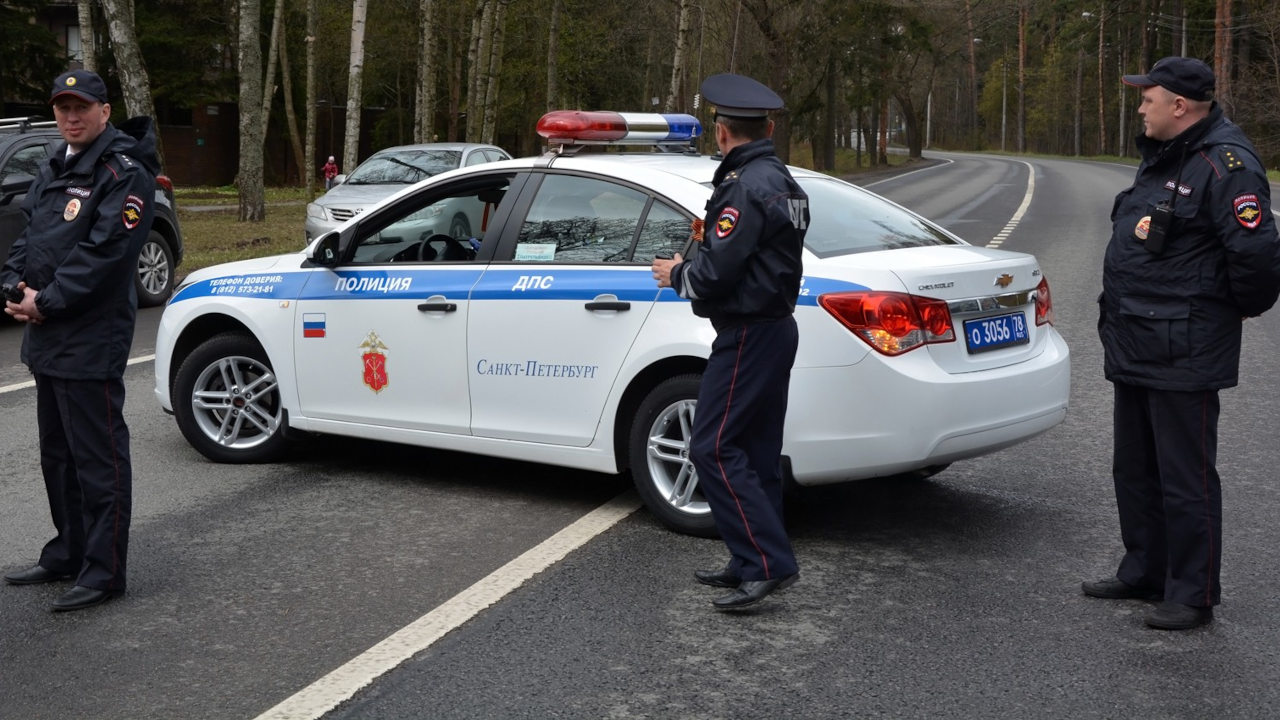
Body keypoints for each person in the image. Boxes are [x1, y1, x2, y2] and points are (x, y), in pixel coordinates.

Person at [1085, 57, 1280, 630]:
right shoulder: (1167, 156)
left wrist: (1229, 312)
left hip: (1184, 344)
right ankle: (1145, 568)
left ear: (1181, 107)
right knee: (1135, 467)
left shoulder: (1227, 165)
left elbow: (1258, 256)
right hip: (1138, 336)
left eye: (1150, 97)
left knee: (1184, 475)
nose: (1140, 106)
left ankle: (1193, 591)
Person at [1, 69, 158, 612]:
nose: (71, 117)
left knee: (99, 459)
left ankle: (103, 570)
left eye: (82, 107)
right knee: (57, 456)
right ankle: (67, 551)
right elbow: (30, 235)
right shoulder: (56, 163)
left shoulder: (124, 171)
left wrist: (43, 301)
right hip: (49, 338)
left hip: (91, 337)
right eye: (63, 108)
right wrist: (13, 285)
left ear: (105, 110)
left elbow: (106, 253)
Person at [651, 73, 809, 611]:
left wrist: (675, 273)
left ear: (722, 132)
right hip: (774, 328)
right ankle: (748, 559)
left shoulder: (744, 187)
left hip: (747, 332)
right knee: (756, 451)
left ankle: (767, 563)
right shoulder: (782, 179)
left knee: (712, 446)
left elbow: (718, 272)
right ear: (764, 127)